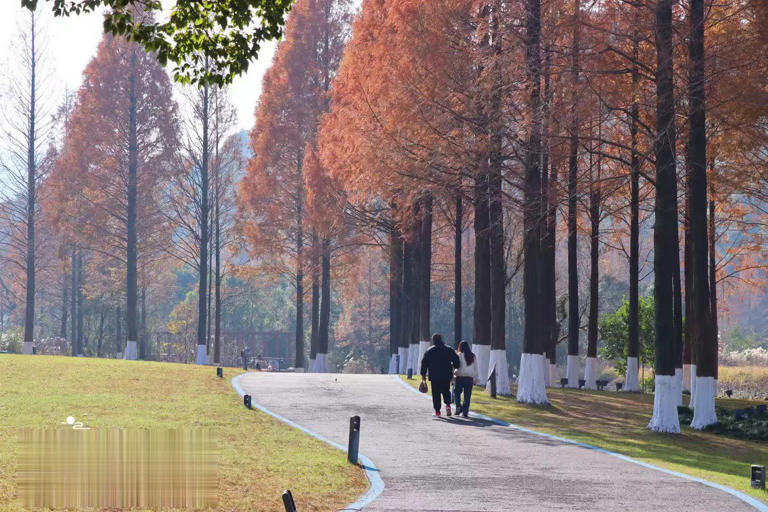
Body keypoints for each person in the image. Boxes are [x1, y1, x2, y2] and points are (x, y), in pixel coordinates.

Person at [420, 333, 460, 417]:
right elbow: (456, 359)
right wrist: (456, 367)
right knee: (446, 391)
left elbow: (424, 363)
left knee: (436, 394)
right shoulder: (448, 349)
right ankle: (448, 406)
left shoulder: (430, 350)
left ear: (433, 340)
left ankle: (437, 411)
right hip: (446, 375)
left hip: (434, 376)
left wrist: (423, 374)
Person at [453, 341, 479, 418]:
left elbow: (455, 366)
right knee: (467, 396)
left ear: (460, 347)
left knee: (456, 392)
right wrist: (476, 378)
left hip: (460, 377)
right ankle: (465, 412)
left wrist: (453, 376)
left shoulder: (458, 355)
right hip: (469, 378)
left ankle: (458, 406)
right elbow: (476, 368)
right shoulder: (473, 356)